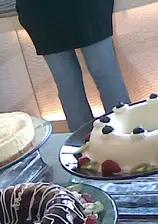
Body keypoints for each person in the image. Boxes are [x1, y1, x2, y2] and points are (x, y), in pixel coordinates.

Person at [16, 0, 130, 132]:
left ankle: (83, 140)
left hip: (40, 10)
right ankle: (125, 132)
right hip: (84, 6)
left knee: (68, 84)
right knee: (105, 74)